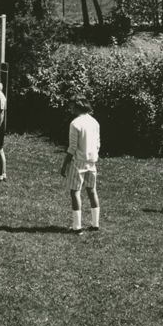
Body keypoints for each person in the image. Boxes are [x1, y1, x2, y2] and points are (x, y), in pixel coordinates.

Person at [60, 97, 101, 234]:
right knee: (91, 190)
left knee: (75, 191)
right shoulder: (94, 122)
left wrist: (65, 164)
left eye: (72, 106)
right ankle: (95, 224)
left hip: (79, 162)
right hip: (92, 161)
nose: (70, 109)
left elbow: (72, 147)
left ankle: (77, 226)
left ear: (78, 106)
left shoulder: (75, 123)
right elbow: (97, 143)